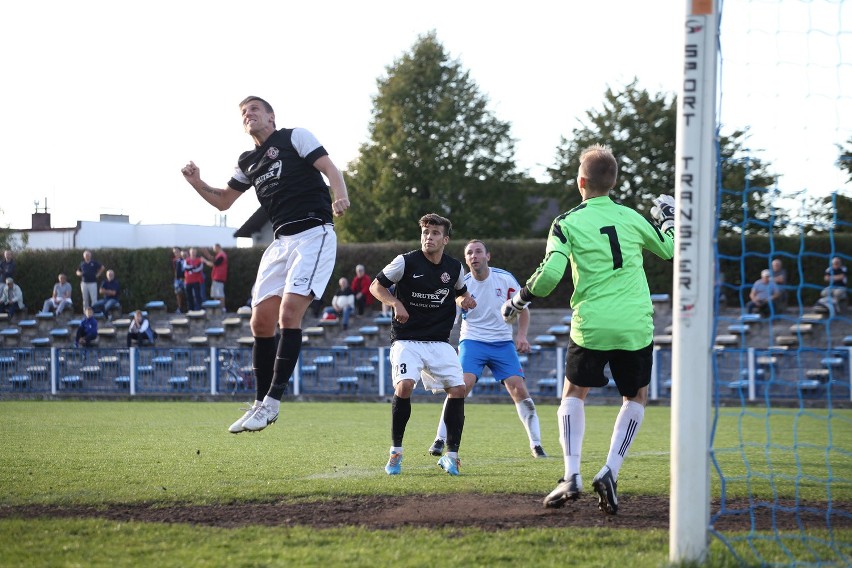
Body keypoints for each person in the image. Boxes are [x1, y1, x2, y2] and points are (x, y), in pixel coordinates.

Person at [501, 144, 675, 515]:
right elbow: (669, 250)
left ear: (581, 181)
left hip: (592, 323)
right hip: (634, 324)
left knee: (574, 392)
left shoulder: (567, 221)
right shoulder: (630, 217)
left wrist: (519, 300)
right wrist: (670, 221)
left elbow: (549, 276)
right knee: (636, 397)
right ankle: (610, 470)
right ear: (612, 182)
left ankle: (571, 475)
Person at [181, 95, 349, 434]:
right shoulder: (247, 160)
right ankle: (259, 404)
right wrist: (197, 182)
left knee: (289, 314)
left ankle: (273, 402)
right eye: (243, 112)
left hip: (313, 233)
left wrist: (339, 194)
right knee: (260, 321)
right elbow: (225, 201)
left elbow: (331, 168)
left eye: (254, 109)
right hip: (279, 243)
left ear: (271, 117)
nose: (248, 114)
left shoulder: (294, 136)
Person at [369, 213, 477, 476]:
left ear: (445, 239)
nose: (429, 237)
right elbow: (376, 286)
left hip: (439, 341)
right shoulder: (405, 262)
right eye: (426, 233)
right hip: (407, 340)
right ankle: (396, 452)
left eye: (435, 233)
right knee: (405, 386)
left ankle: (451, 455)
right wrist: (395, 303)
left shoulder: (454, 268)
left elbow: (461, 293)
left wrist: (465, 301)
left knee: (459, 389)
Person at [428, 239, 547, 460]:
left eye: (478, 252)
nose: (474, 256)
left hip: (502, 343)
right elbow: (448, 316)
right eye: (470, 253)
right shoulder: (460, 284)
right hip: (472, 341)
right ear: (466, 259)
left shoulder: (504, 278)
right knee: (460, 387)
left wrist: (521, 335)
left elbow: (523, 309)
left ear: (487, 256)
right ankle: (440, 439)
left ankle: (537, 445)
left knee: (519, 390)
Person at [202, 243, 228, 309]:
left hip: (219, 277)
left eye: (214, 248)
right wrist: (207, 255)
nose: (213, 250)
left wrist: (204, 261)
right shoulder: (220, 255)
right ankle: (216, 308)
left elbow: (214, 264)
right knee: (215, 294)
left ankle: (222, 308)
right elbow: (214, 260)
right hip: (216, 277)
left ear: (217, 247)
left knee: (220, 294)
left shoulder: (221, 256)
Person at [183, 247, 204, 311]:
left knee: (197, 296)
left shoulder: (199, 260)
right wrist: (193, 267)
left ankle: (199, 309)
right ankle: (190, 310)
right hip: (188, 281)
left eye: (194, 252)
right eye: (192, 252)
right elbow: (185, 267)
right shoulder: (186, 260)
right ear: (189, 252)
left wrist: (192, 269)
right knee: (189, 296)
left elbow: (199, 268)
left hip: (196, 281)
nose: (193, 253)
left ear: (196, 252)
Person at [172, 247, 187, 314]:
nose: (176, 253)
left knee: (187, 293)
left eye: (177, 252)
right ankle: (179, 308)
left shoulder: (185, 259)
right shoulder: (175, 261)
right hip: (178, 280)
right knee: (178, 294)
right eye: (174, 252)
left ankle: (189, 308)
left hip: (185, 279)